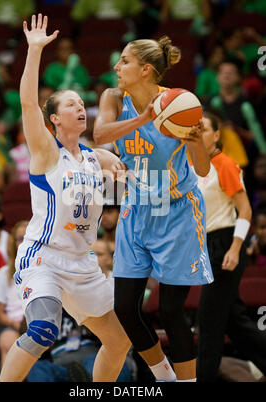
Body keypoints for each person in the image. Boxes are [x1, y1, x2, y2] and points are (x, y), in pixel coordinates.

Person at [0, 14, 131, 382]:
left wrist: (129, 176)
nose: (79, 107)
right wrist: (35, 51)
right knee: (43, 331)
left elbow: (125, 178)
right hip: (45, 257)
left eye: (80, 103)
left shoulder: (93, 157)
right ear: (54, 119)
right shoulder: (46, 152)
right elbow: (28, 105)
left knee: (120, 343)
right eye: (70, 104)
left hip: (83, 263)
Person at [93, 35, 213, 382]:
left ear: (146, 70)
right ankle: (166, 378)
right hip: (137, 208)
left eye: (125, 61)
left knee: (172, 311)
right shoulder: (114, 97)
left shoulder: (180, 104)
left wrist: (195, 143)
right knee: (126, 308)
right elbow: (100, 135)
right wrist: (145, 117)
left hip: (177, 211)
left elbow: (202, 170)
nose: (117, 67)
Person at [195, 112, 253, 382]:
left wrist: (235, 247)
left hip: (226, 243)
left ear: (217, 135)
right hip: (207, 246)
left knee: (208, 322)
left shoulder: (225, 164)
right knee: (235, 323)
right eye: (195, 130)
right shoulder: (193, 167)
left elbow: (245, 211)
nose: (199, 134)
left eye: (205, 129)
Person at [0, 220, 28, 369]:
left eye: (28, 238)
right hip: (12, 325)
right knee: (10, 343)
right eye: (20, 239)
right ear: (13, 243)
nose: (25, 243)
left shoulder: (48, 270)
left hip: (40, 324)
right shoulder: (4, 273)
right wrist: (15, 324)